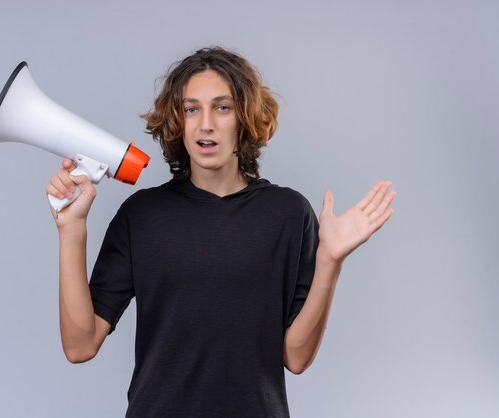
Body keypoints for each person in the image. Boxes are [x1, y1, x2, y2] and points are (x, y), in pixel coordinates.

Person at [45, 47, 396, 418]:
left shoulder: (288, 214)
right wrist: (72, 230)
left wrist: (329, 262)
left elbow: (295, 357)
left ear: (244, 119)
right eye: (191, 108)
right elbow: (80, 346)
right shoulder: (142, 215)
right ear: (177, 121)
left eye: (222, 107)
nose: (205, 124)